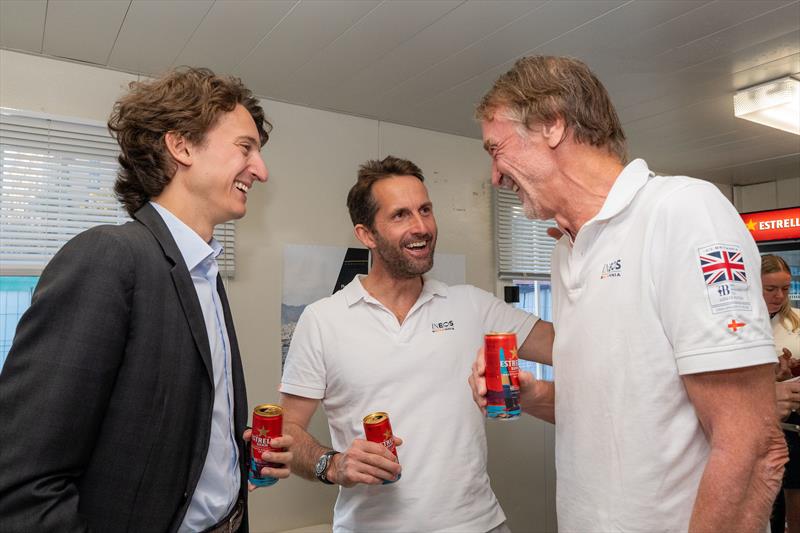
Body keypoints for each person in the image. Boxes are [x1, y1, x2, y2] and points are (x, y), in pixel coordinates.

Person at [470, 55, 786, 532]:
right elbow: (627, 410)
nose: (495, 174)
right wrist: (533, 396)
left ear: (552, 125)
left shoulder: (681, 212)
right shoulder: (568, 249)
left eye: (496, 149)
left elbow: (752, 444)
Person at [0, 67, 292, 532]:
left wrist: (231, 454)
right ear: (181, 146)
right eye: (245, 148)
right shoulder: (109, 258)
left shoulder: (207, 272)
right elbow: (24, 483)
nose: (260, 169)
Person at [279, 155, 554, 532]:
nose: (421, 227)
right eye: (400, 215)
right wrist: (334, 465)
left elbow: (568, 347)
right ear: (366, 234)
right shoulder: (322, 320)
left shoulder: (471, 305)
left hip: (479, 524)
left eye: (425, 210)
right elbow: (287, 430)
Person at [764, 254, 800, 533]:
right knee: (767, 499)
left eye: (785, 289)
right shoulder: (740, 322)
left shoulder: (796, 321)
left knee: (794, 492)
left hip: (793, 423)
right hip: (762, 421)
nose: (779, 296)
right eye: (771, 289)